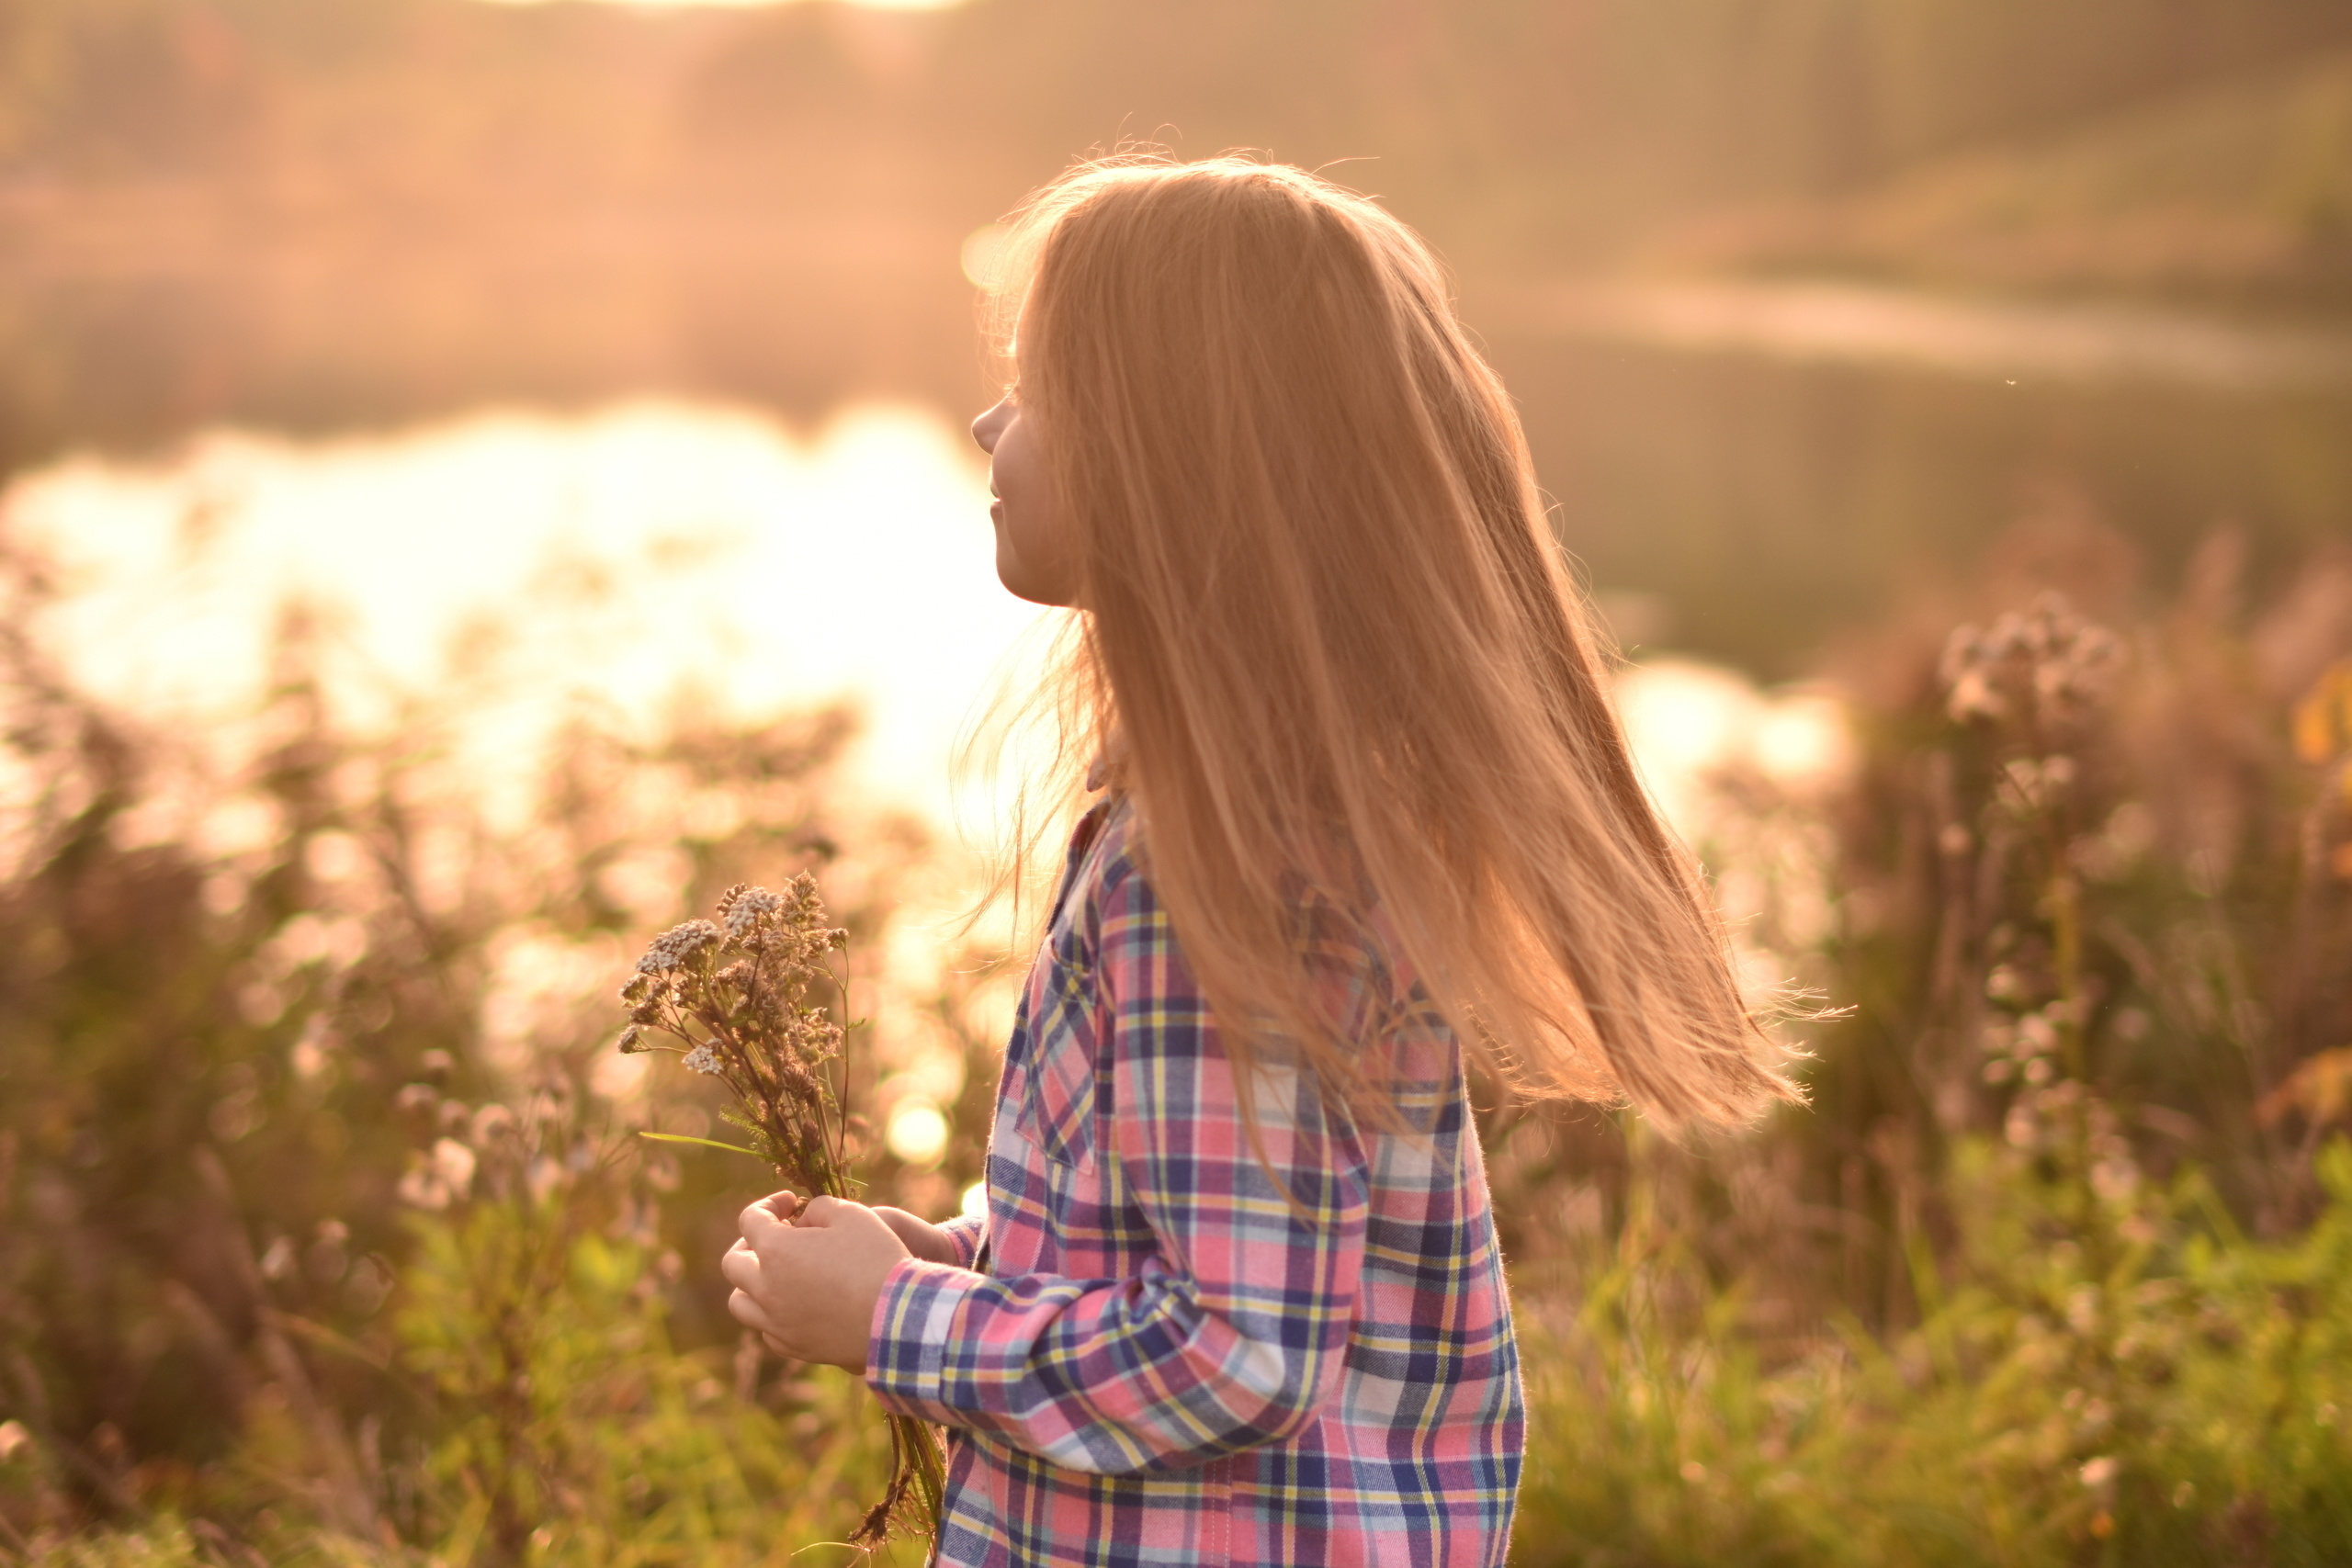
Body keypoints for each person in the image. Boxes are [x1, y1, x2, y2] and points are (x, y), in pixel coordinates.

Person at [720, 153, 1797, 1568]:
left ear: (1167, 453)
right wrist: (963, 1259)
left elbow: (1234, 1358)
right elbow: (1217, 1276)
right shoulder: (1250, 827)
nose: (990, 417)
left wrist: (894, 1322)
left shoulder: (1223, 880)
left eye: (1041, 388)